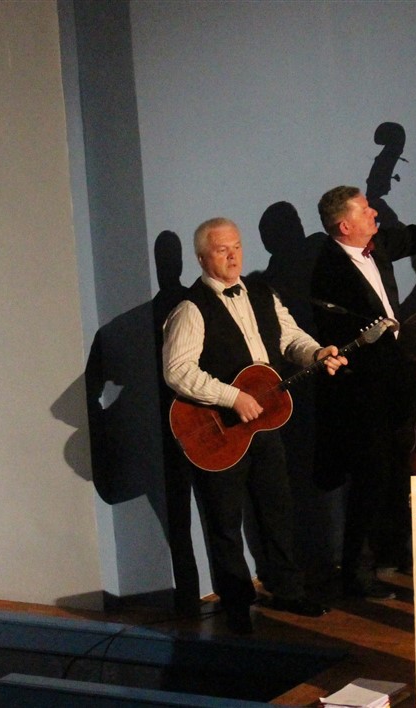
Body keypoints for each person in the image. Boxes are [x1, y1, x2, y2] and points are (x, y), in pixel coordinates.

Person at [162, 217, 347, 633]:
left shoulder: (263, 293)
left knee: (277, 509)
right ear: (201, 258)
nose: (233, 256)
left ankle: (288, 591)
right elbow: (177, 371)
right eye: (221, 250)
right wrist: (232, 397)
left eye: (237, 247)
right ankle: (236, 604)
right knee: (225, 521)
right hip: (219, 432)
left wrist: (317, 353)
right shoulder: (191, 308)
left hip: (264, 426)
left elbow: (290, 338)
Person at [311, 177, 416, 600]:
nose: (374, 212)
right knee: (370, 480)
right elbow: (354, 347)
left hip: (393, 383)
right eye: (364, 210)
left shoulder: (375, 246)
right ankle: (357, 572)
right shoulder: (329, 274)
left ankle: (393, 553)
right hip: (363, 396)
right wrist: (414, 370)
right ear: (345, 226)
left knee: (396, 475)